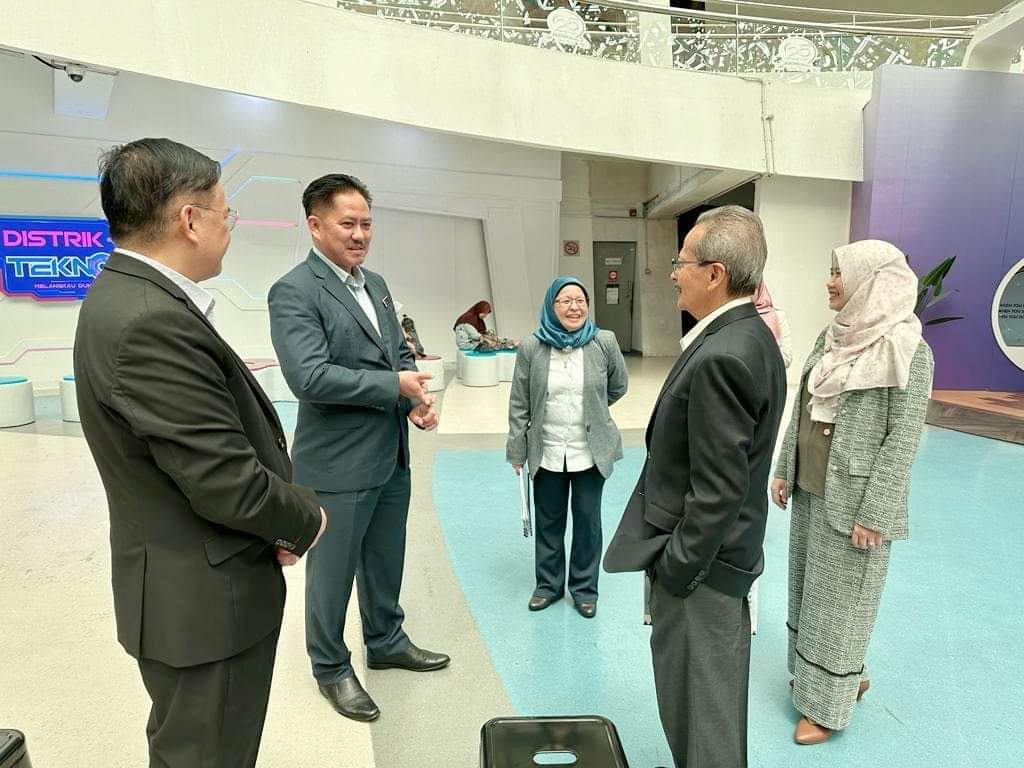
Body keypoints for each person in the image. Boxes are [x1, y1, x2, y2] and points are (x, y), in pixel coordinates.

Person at [73, 138, 326, 768]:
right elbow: (225, 481)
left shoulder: (128, 296)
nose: (228, 227)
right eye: (225, 212)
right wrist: (305, 520)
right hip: (206, 606)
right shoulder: (149, 321)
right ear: (190, 219)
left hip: (185, 592)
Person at [604, 205, 786, 768]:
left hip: (703, 572)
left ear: (715, 274)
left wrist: (678, 568)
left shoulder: (723, 355)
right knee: (708, 707)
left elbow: (719, 488)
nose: (673, 273)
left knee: (702, 717)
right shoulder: (745, 336)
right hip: (719, 560)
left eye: (681, 262)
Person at [268, 173, 449, 724]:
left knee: (385, 558)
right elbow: (309, 376)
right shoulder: (295, 291)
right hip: (338, 464)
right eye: (347, 223)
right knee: (332, 574)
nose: (360, 234)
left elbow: (398, 354)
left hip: (390, 453)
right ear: (315, 225)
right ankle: (330, 667)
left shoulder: (377, 285)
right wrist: (393, 386)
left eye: (367, 223)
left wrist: (413, 399)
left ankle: (386, 640)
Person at [770, 240, 934, 745]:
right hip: (812, 483)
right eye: (831, 271)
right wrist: (784, 468)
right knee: (809, 590)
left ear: (871, 280)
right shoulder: (831, 337)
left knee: (842, 603)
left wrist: (876, 512)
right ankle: (837, 677)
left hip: (859, 501)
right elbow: (802, 408)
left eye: (839, 273)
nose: (830, 282)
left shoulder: (909, 349)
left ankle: (826, 707)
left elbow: (902, 439)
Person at [506, 277, 628, 618]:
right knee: (549, 522)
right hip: (546, 451)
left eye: (580, 301)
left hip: (590, 452)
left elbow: (618, 385)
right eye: (565, 301)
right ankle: (548, 586)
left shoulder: (604, 342)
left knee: (588, 522)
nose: (574, 307)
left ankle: (585, 590)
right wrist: (516, 450)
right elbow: (519, 402)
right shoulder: (532, 347)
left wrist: (594, 411)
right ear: (551, 306)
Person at [753, 280, 793, 368]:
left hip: (770, 375)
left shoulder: (778, 316)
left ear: (760, 289)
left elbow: (787, 357)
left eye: (752, 289)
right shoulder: (735, 317)